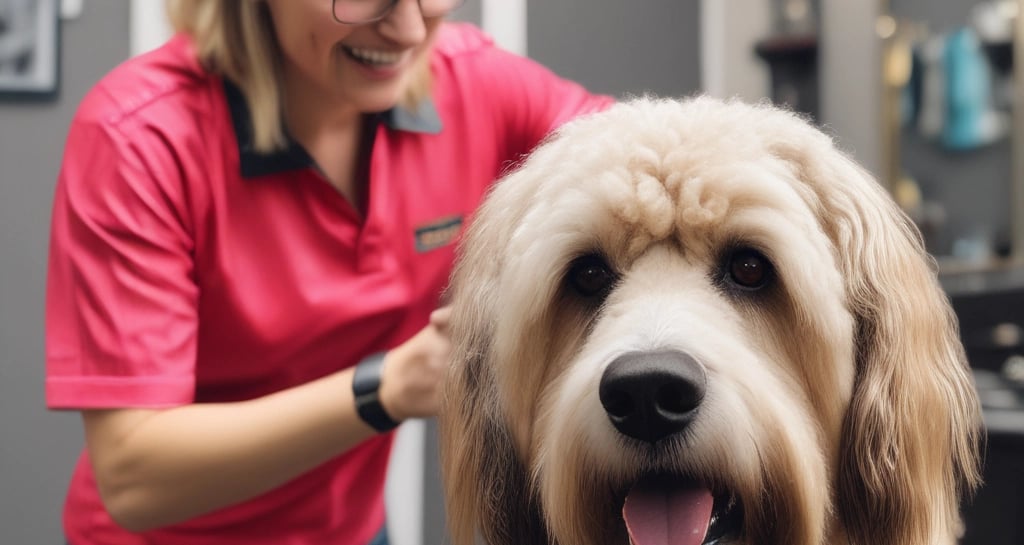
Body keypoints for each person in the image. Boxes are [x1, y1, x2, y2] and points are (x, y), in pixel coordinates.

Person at [44, 0, 612, 544]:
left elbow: (655, 152)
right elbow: (134, 477)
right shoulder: (139, 137)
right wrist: (389, 386)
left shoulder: (472, 84)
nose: (410, 29)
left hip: (354, 532)